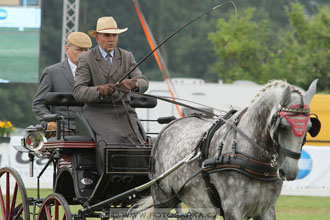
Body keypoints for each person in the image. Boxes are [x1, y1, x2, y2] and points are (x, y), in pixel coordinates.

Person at [72, 16, 149, 173]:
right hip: (97, 112)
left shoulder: (127, 56)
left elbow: (143, 81)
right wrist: (99, 91)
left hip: (124, 112)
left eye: (115, 35)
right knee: (111, 143)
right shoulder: (86, 59)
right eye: (107, 35)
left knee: (136, 144)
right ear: (97, 37)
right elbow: (78, 91)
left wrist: (134, 84)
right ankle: (108, 179)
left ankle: (137, 180)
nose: (111, 39)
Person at [32, 32, 92, 132]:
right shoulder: (52, 72)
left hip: (92, 129)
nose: (83, 54)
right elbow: (39, 103)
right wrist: (50, 122)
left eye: (86, 50)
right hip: (61, 130)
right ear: (67, 49)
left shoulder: (96, 72)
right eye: (79, 49)